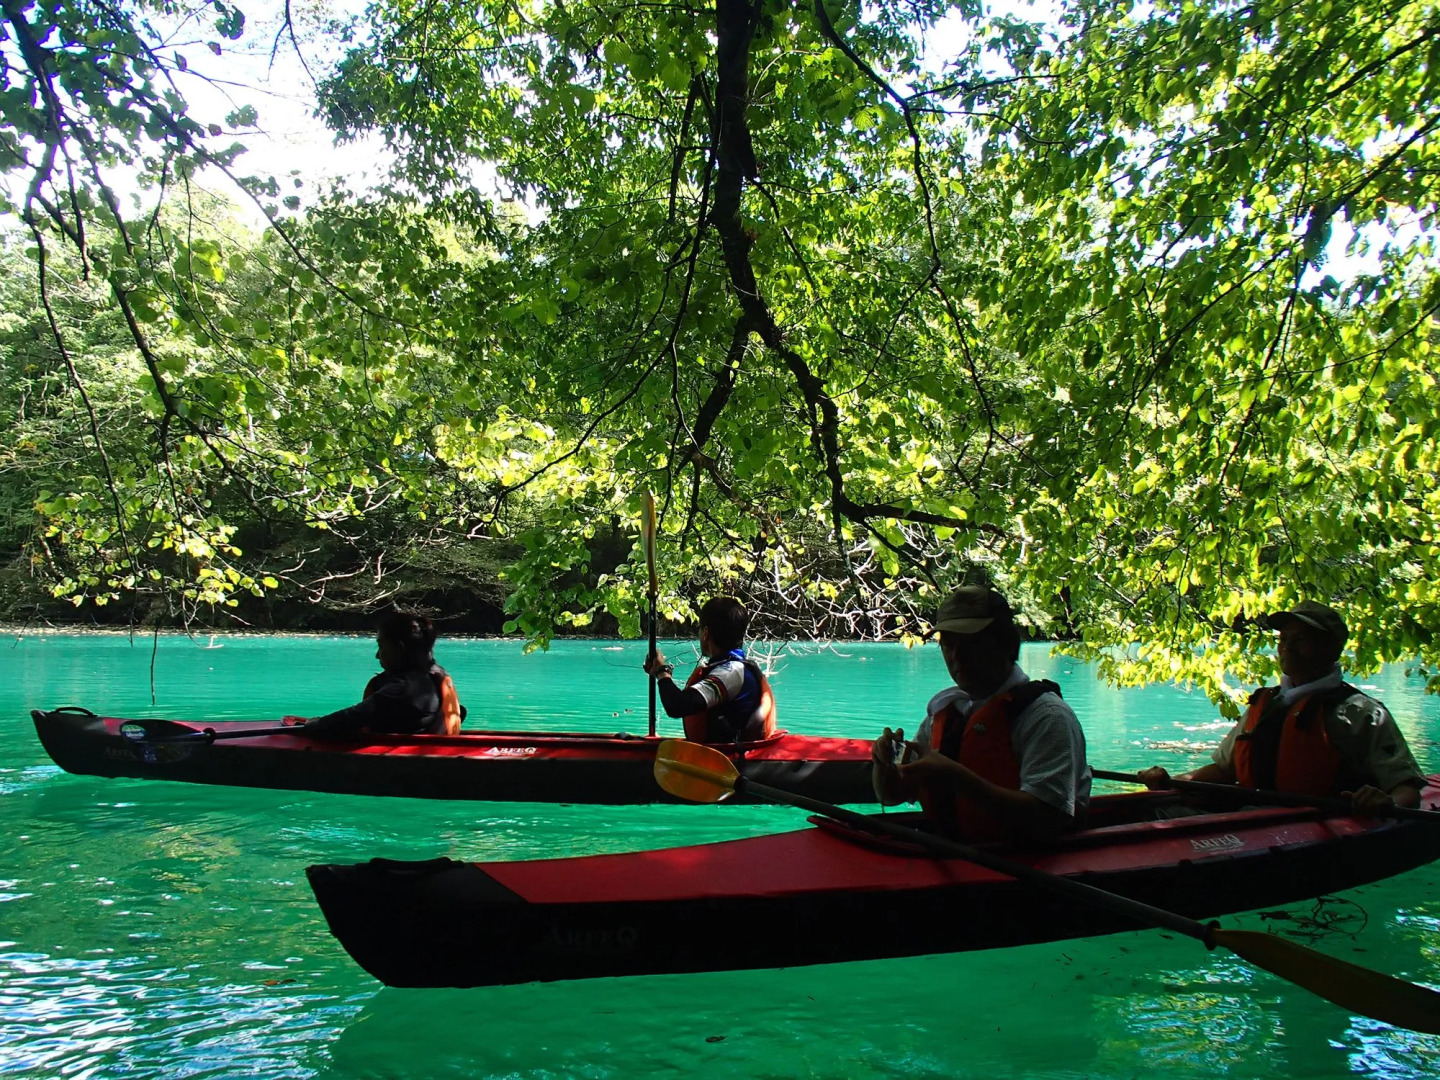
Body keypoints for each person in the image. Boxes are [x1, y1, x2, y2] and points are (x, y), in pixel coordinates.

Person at [1137, 600, 1422, 814]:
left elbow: (1406, 788)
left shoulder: (1362, 712)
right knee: (1154, 812)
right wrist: (1172, 781)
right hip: (1252, 820)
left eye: (1301, 641)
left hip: (1316, 822)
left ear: (1332, 650)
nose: (1287, 648)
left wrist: (1387, 804)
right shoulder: (1266, 703)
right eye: (1284, 639)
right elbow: (1225, 770)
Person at [871, 586, 1091, 842]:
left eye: (972, 644)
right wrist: (883, 766)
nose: (957, 657)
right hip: (960, 857)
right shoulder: (945, 713)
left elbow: (1052, 815)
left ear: (1007, 644)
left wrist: (956, 777)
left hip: (1028, 863)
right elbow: (891, 796)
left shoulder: (1047, 717)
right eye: (948, 645)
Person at [293, 611, 466, 737]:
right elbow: (461, 712)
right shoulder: (434, 676)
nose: (377, 655)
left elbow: (353, 717)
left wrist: (315, 725)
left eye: (381, 646)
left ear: (399, 649)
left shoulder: (402, 688)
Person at [642, 596, 777, 743]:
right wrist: (660, 672)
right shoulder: (734, 668)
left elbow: (677, 706)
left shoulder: (730, 672)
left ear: (706, 633)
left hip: (730, 761)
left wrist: (662, 671)